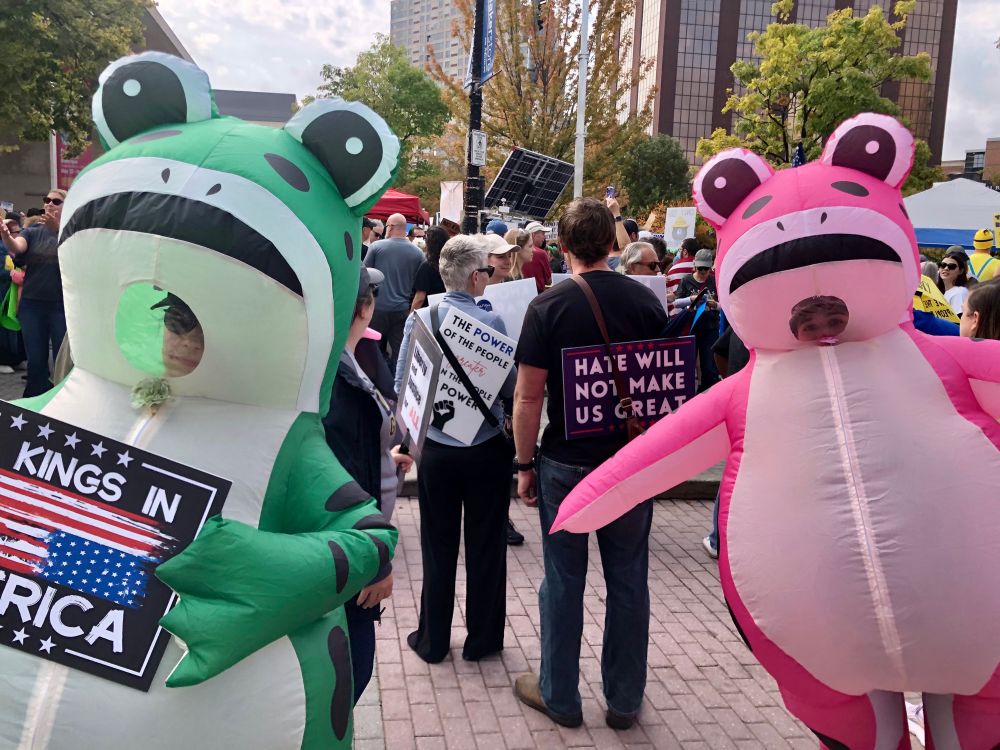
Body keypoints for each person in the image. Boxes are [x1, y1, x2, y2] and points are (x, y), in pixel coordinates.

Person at [512, 198, 668, 730]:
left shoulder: (547, 307)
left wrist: (524, 463)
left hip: (565, 463)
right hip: (629, 462)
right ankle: (624, 700)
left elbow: (529, 398)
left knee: (562, 580)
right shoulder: (648, 303)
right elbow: (659, 386)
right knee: (628, 580)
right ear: (613, 244)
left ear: (561, 246)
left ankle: (560, 694)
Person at [394, 235, 516, 664]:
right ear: (474, 276)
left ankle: (432, 640)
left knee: (438, 544)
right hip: (484, 447)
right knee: (486, 545)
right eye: (486, 269)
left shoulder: (420, 318)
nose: (488, 276)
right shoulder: (494, 322)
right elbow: (509, 387)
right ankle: (482, 640)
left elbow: (403, 382)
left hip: (438, 451)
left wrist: (411, 437)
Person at [324, 267, 411, 704]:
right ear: (364, 308)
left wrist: (385, 461)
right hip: (350, 564)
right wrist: (374, 560)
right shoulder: (338, 381)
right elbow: (340, 475)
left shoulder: (342, 364)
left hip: (348, 556)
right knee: (349, 680)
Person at [0, 188, 67, 396]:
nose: (49, 204)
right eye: (47, 200)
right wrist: (6, 235)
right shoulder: (32, 231)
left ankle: (61, 400)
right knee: (36, 359)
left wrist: (57, 229)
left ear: (66, 206)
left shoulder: (71, 232)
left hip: (61, 305)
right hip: (32, 305)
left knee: (61, 358)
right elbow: (18, 247)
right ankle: (35, 401)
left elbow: (74, 256)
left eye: (56, 201)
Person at [702, 325, 752, 558]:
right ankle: (718, 539)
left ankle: (718, 539)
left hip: (742, 407)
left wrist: (730, 383)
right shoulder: (760, 325)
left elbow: (719, 352)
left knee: (736, 472)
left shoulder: (745, 322)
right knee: (738, 473)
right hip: (751, 407)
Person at [364, 212, 424, 368]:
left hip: (376, 308)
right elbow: (419, 284)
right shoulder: (418, 253)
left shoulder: (377, 247)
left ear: (389, 227)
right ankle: (396, 388)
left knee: (370, 352)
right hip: (402, 309)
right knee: (399, 356)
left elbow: (364, 275)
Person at [675, 249, 721, 390]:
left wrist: (715, 305)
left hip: (710, 328)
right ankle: (688, 393)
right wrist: (691, 300)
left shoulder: (715, 281)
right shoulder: (686, 280)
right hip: (691, 327)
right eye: (700, 268)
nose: (702, 272)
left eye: (706, 268)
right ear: (694, 266)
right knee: (688, 364)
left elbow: (724, 306)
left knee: (709, 366)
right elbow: (676, 303)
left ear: (710, 267)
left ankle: (709, 393)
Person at [410, 225, 448, 311]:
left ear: (430, 243)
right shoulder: (452, 263)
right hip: (447, 309)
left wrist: (411, 317)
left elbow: (419, 298)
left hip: (429, 312)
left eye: (425, 238)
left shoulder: (427, 266)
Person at [665, 237, 698, 314]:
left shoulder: (674, 269)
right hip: (700, 313)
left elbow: (668, 296)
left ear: (685, 252)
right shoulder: (706, 269)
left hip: (678, 314)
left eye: (680, 250)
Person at [936, 250, 971, 316]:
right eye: (942, 265)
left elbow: (958, 322)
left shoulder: (959, 293)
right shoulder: (940, 291)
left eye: (952, 266)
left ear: (960, 271)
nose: (946, 268)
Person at [522, 221, 554, 292]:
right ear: (533, 235)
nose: (544, 237)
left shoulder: (518, 251)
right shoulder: (541, 253)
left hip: (520, 292)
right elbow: (549, 281)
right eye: (542, 234)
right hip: (537, 294)